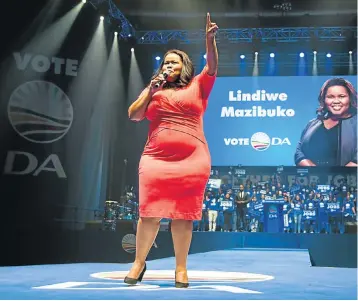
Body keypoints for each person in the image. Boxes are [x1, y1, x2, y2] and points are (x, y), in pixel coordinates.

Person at [124, 13, 219, 288]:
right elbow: (133, 114)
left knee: (183, 215)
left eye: (174, 62)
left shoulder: (199, 85)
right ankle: (138, 263)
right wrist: (151, 89)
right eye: (166, 62)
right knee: (149, 214)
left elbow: (212, 65)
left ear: (184, 66)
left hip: (192, 160)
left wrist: (209, 40)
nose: (169, 65)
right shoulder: (155, 89)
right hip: (155, 159)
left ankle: (181, 269)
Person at [295, 78, 357, 166]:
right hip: (311, 177)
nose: (336, 101)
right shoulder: (313, 124)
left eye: (341, 96)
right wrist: (314, 171)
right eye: (330, 97)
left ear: (350, 98)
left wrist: (337, 176)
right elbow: (299, 152)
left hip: (347, 178)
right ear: (324, 100)